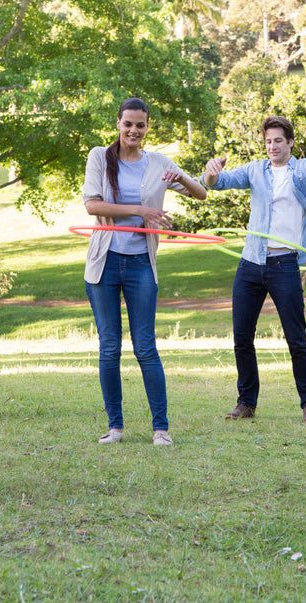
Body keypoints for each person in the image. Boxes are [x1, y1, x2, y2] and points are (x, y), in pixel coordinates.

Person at [202, 115, 306, 423]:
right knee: (242, 336)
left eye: (278, 140)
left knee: (295, 337)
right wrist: (210, 172)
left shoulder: (305, 169)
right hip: (251, 262)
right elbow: (217, 183)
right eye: (268, 141)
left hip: (284, 263)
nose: (272, 146)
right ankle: (246, 403)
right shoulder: (255, 170)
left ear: (290, 142)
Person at [82, 97, 207, 446]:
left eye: (140, 125)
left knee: (145, 347)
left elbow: (201, 194)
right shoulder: (98, 157)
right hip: (104, 262)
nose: (134, 130)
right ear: (118, 124)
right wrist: (141, 211)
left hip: (140, 264)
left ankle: (161, 429)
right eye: (128, 124)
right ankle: (116, 427)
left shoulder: (158, 163)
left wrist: (179, 176)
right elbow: (93, 205)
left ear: (148, 126)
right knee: (109, 347)